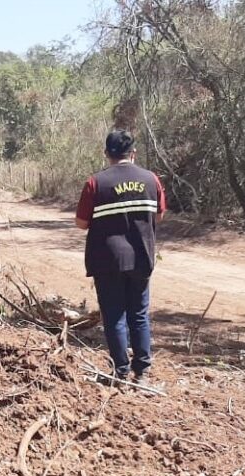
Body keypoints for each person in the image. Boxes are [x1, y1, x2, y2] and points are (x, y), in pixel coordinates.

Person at [75, 129, 166, 386]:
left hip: (107, 260)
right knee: (138, 313)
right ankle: (143, 373)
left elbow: (81, 223)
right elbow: (158, 216)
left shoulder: (95, 183)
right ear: (133, 154)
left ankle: (121, 372)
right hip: (141, 257)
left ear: (107, 154)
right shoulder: (151, 180)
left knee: (114, 316)